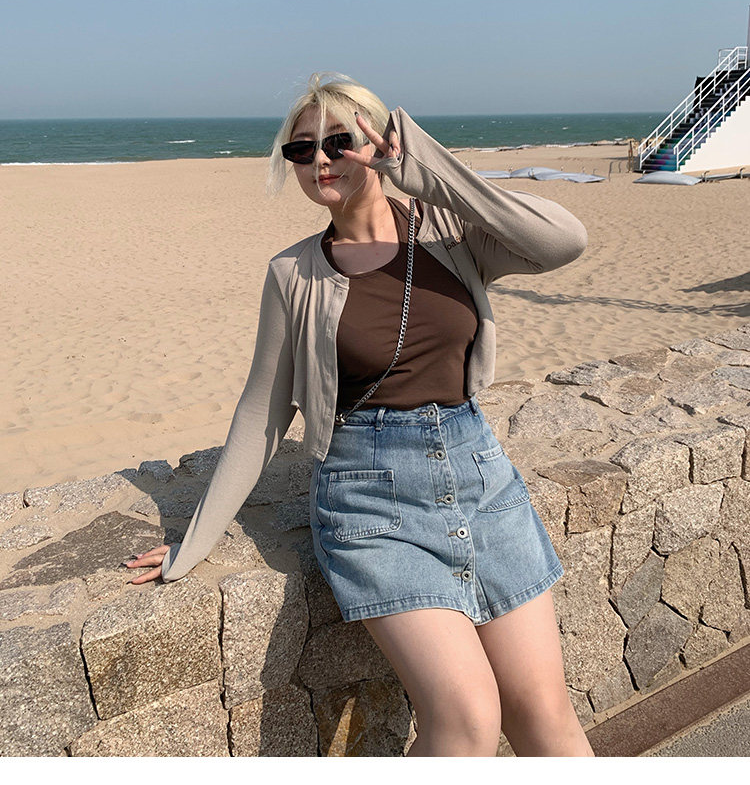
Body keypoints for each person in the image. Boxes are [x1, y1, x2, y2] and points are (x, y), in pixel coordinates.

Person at [125, 72, 594, 758]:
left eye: (339, 142)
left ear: (380, 143)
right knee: (467, 717)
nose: (319, 160)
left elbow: (563, 240)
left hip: (484, 483)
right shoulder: (294, 273)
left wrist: (428, 172)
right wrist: (190, 544)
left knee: (544, 712)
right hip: (370, 501)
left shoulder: (450, 234)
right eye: (301, 149)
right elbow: (262, 413)